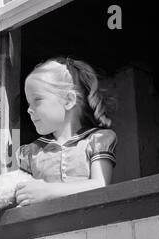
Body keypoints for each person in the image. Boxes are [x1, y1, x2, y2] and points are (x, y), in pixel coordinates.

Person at [16, 57, 117, 206]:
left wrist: (48, 191)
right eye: (28, 102)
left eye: (37, 99)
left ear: (69, 100)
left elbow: (100, 184)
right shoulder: (29, 153)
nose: (29, 109)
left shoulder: (97, 140)